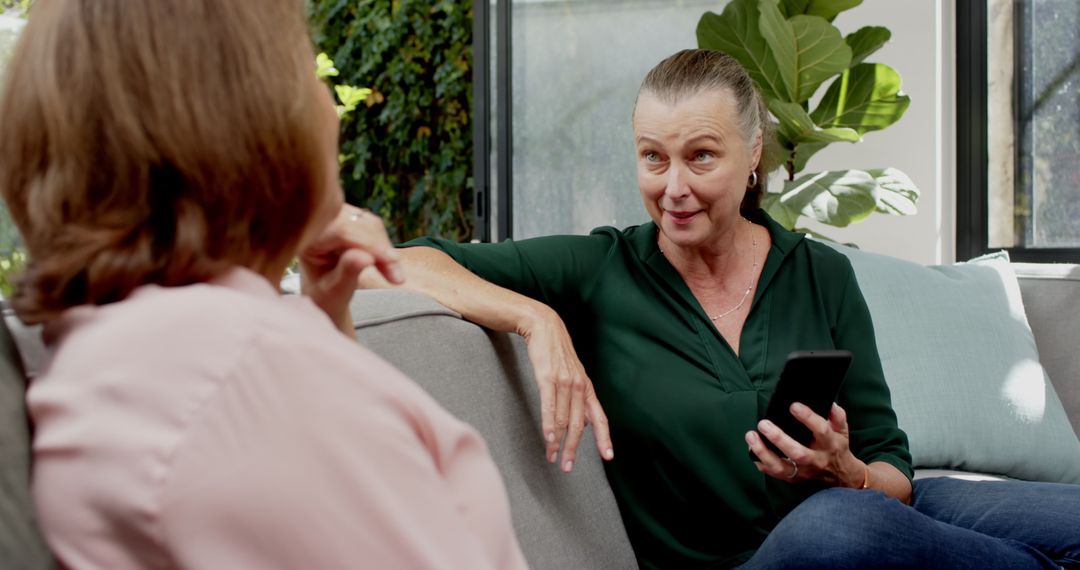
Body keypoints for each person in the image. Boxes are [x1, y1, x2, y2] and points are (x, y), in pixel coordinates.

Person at [360, 49, 1080, 569]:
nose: (673, 187)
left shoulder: (819, 272)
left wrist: (846, 471)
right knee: (837, 532)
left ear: (754, 152)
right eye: (653, 157)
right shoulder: (598, 270)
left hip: (872, 510)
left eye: (701, 156)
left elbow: (892, 471)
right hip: (784, 553)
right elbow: (391, 261)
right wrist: (535, 319)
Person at [0, 1, 528, 568]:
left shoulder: (140, 349)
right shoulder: (234, 371)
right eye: (303, 70)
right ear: (248, 124)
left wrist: (328, 330)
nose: (328, 104)